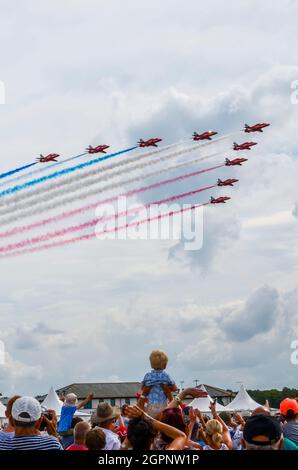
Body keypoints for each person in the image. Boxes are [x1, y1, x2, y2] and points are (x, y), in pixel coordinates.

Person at [141, 350, 177, 417]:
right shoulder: (166, 375)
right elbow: (175, 388)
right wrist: (168, 389)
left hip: (151, 405)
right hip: (163, 405)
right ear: (164, 364)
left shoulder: (148, 376)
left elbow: (143, 388)